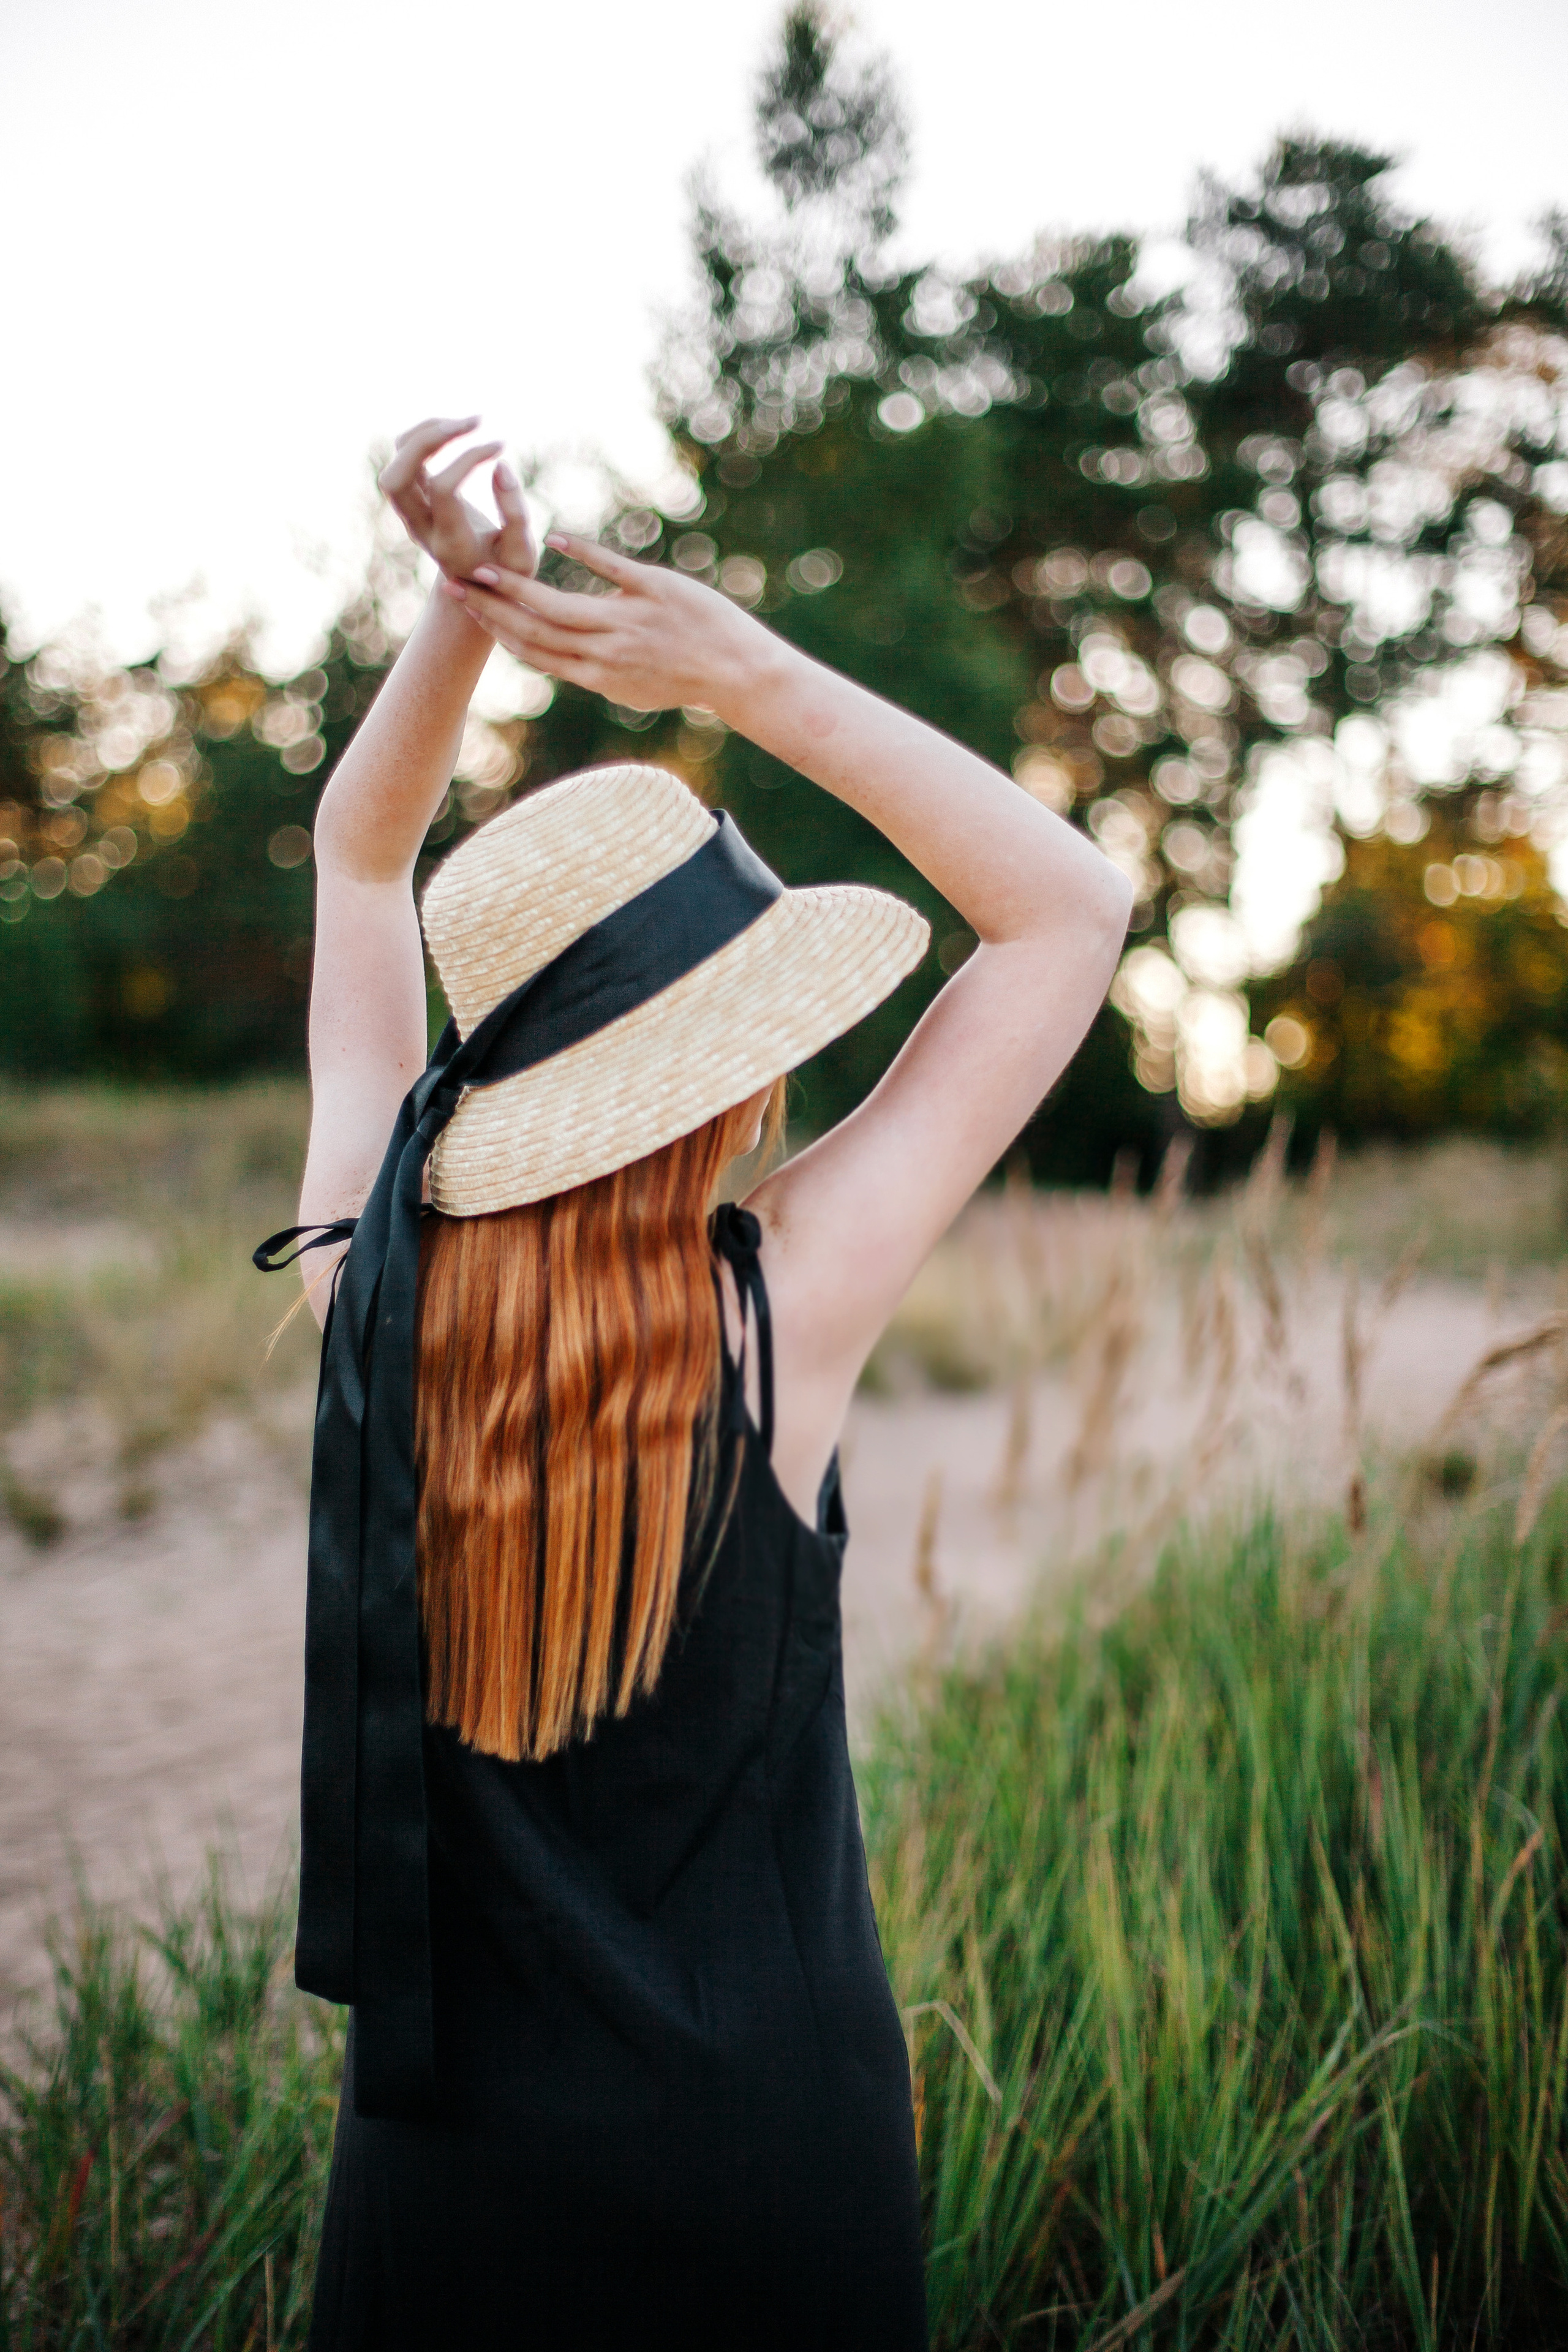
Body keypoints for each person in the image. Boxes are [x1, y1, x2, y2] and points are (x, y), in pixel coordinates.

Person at [266, 418, 1132, 2350]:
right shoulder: (776, 1316)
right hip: (770, 2158)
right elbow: (1068, 909)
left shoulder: (359, 1293)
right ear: (731, 1074)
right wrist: (743, 673)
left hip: (445, 2186)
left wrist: (454, 619)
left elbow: (357, 856)